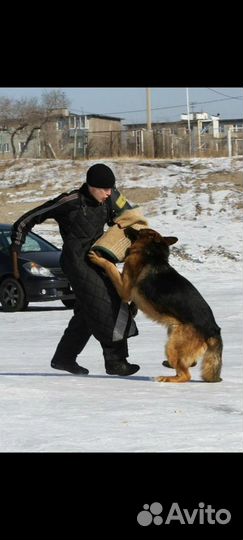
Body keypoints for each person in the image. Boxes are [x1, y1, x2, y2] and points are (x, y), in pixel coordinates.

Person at [11, 163, 140, 377]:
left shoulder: (109, 200)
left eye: (111, 188)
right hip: (76, 263)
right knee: (106, 303)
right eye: (105, 189)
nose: (109, 193)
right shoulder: (70, 201)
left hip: (98, 259)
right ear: (91, 186)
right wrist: (16, 244)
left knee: (87, 312)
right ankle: (116, 361)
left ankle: (64, 357)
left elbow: (129, 218)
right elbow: (29, 219)